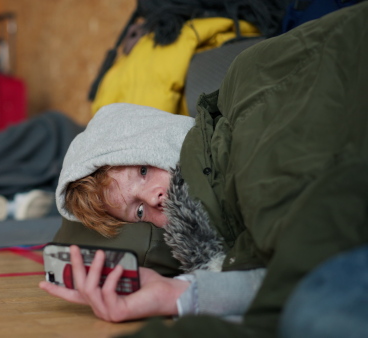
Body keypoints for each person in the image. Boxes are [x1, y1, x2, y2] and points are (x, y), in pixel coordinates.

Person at [40, 3, 368, 337]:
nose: (153, 198)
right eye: (137, 209)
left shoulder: (245, 129)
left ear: (157, 138)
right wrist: (177, 294)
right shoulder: (227, 230)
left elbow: (306, 262)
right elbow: (272, 273)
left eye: (142, 171)